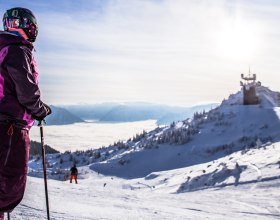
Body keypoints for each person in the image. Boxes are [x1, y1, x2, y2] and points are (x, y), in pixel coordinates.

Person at [0, 7, 51, 219]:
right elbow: (26, 89)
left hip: (5, 121)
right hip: (10, 125)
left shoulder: (5, 47)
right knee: (11, 181)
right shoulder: (16, 49)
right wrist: (40, 109)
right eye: (30, 26)